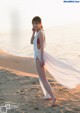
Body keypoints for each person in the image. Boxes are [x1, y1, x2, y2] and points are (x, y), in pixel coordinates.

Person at [30, 16, 80, 106]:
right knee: (43, 78)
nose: (35, 25)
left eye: (37, 23)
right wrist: (33, 32)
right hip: (37, 56)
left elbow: (40, 48)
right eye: (33, 23)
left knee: (43, 79)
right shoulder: (38, 33)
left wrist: (41, 59)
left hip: (39, 57)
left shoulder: (41, 33)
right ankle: (48, 95)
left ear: (41, 24)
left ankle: (53, 97)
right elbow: (31, 42)